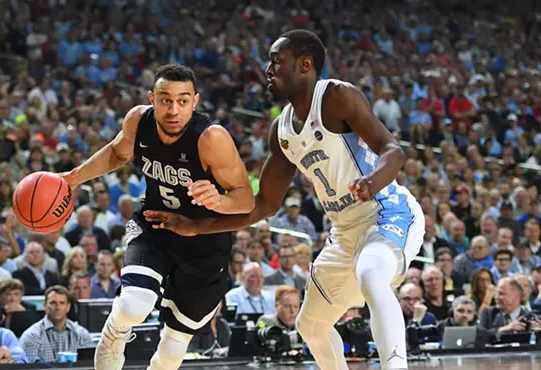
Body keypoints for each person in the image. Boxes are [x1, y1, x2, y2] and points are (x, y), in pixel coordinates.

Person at [144, 30, 425, 370]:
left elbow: (393, 149)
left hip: (387, 212)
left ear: (305, 65)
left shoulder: (336, 96)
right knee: (311, 326)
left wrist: (374, 180)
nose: (268, 70)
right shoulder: (282, 131)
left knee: (371, 274)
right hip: (345, 231)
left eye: (277, 62)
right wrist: (197, 226)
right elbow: (264, 205)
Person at [60, 64, 253, 370]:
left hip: (205, 242)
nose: (173, 109)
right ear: (152, 99)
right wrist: (75, 177)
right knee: (132, 305)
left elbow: (245, 199)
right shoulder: (139, 120)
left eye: (183, 100)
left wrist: (220, 199)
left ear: (195, 101)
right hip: (156, 225)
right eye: (165, 99)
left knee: (173, 349)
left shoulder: (211, 139)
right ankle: (114, 334)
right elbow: (117, 152)